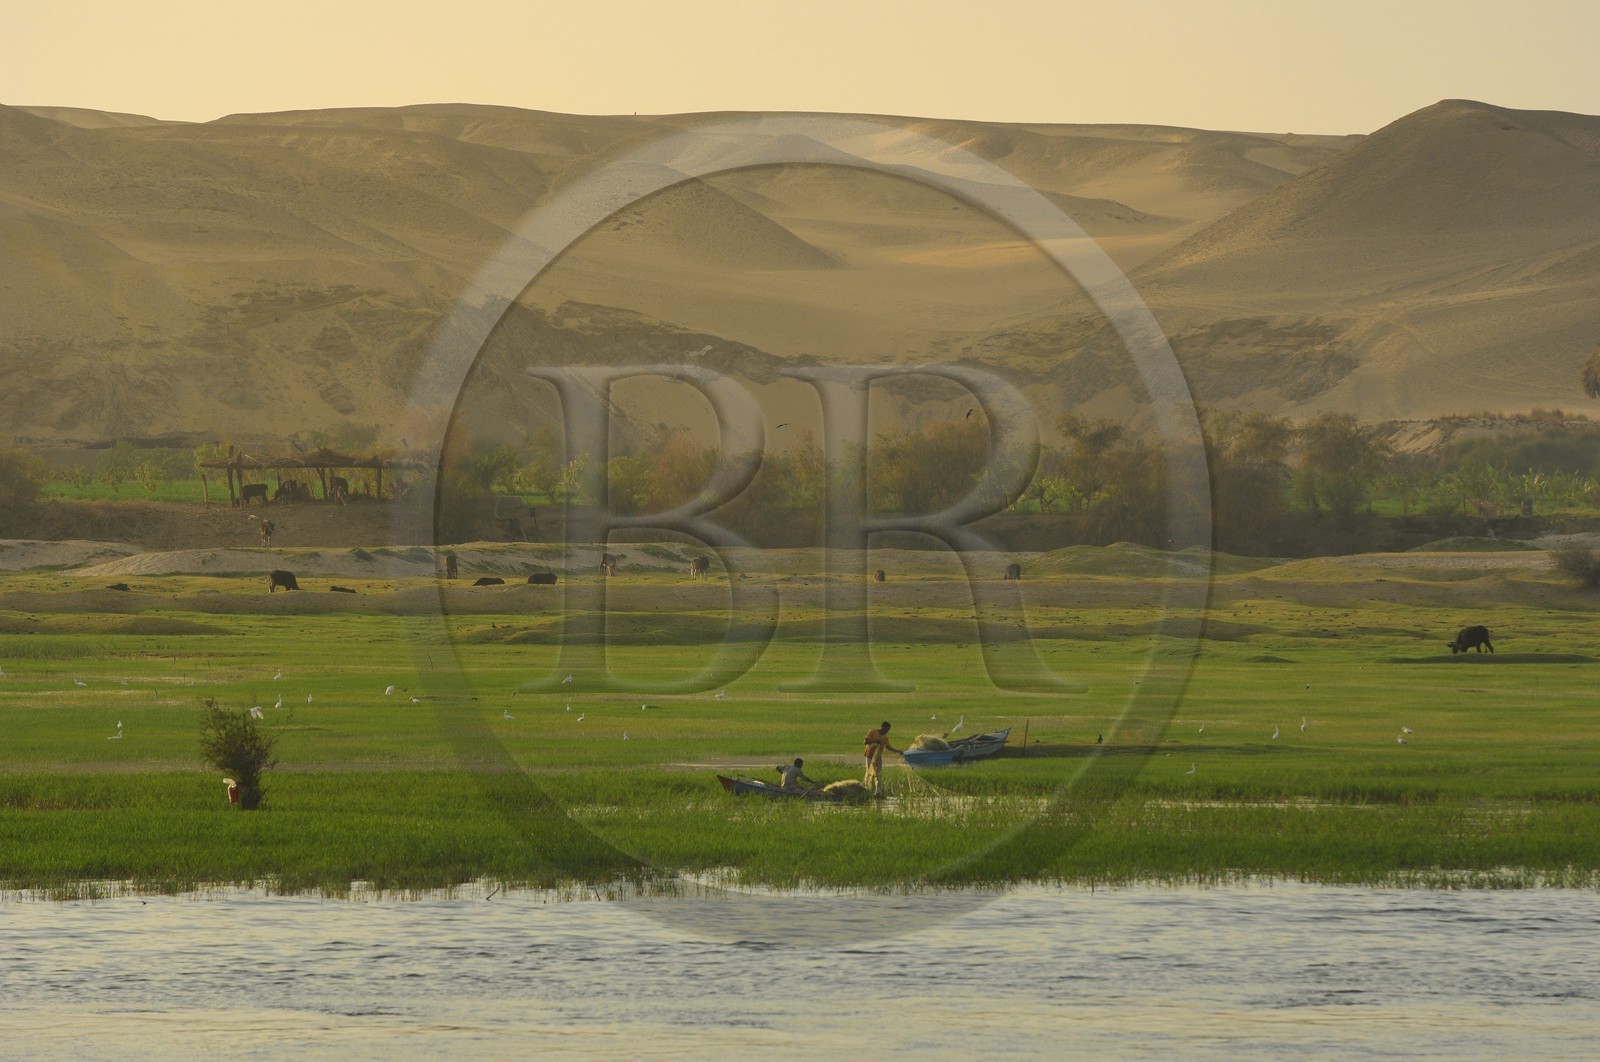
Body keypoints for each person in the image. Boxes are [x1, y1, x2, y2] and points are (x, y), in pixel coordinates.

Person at [863, 721, 901, 796]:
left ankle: (878, 792)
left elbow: (888, 747)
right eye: (887, 729)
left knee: (878, 774)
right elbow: (865, 742)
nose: (888, 731)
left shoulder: (885, 737)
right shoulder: (873, 732)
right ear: (883, 727)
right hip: (870, 756)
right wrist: (875, 741)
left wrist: (898, 751)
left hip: (878, 758)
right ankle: (867, 790)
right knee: (869, 774)